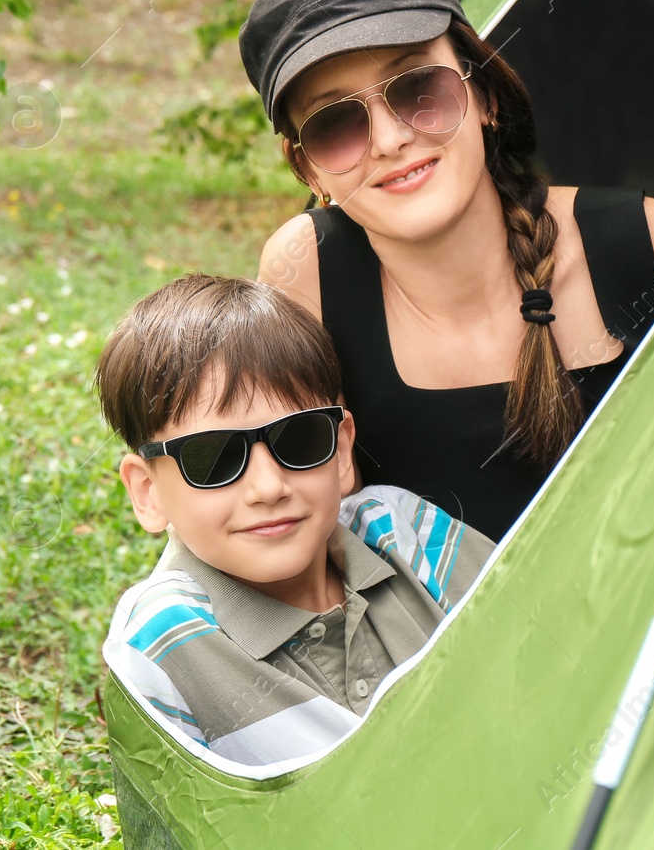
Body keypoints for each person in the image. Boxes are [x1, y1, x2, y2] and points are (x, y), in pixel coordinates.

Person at [242, 0, 654, 542]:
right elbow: (290, 521)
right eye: (336, 124)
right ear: (308, 171)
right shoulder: (307, 271)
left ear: (484, 93)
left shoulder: (645, 241)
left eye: (417, 89)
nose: (388, 140)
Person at [96, 274, 495, 767]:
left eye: (300, 439)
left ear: (344, 451)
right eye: (214, 458)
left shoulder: (407, 533)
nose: (269, 487)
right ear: (147, 491)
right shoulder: (162, 645)